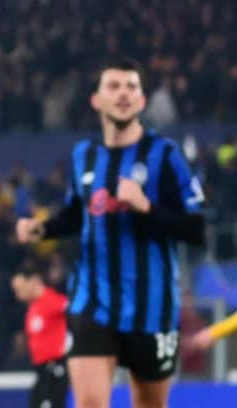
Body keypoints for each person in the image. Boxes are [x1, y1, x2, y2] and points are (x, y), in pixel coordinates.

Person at [16, 57, 206, 408]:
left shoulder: (165, 156)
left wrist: (146, 207)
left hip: (152, 309)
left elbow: (198, 229)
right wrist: (41, 228)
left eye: (131, 87)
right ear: (96, 99)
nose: (123, 94)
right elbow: (77, 214)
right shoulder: (82, 156)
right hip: (93, 302)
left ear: (142, 100)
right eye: (114, 86)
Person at [11, 266, 69, 408]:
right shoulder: (33, 306)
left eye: (20, 288)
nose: (18, 295)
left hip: (55, 367)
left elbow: (77, 319)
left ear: (34, 281)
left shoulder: (55, 301)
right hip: (42, 369)